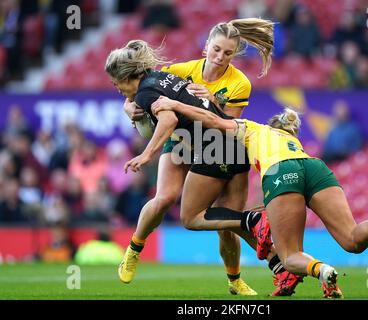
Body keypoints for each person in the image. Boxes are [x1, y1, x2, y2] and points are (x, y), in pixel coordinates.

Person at [151, 96, 368, 299]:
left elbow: (211, 120)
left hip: (282, 172)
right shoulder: (293, 140)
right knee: (352, 239)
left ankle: (322, 271)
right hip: (315, 167)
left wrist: (175, 105)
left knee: (290, 255)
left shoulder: (254, 129)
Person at [105, 23, 299, 296]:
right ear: (206, 46)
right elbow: (143, 87)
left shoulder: (239, 83)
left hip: (221, 146)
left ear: (233, 56)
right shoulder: (183, 70)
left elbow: (231, 124)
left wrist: (212, 101)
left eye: (227, 53)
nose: (220, 57)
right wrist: (129, 107)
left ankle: (239, 278)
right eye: (216, 49)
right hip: (184, 140)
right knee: (164, 198)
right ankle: (134, 250)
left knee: (226, 224)